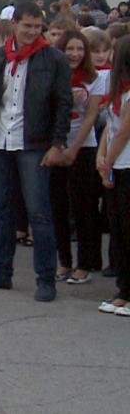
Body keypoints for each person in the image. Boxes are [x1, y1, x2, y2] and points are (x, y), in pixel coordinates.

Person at [0, 2, 72, 303]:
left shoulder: (53, 59)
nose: (32, 31)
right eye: (26, 25)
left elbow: (63, 104)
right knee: (3, 210)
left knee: (39, 213)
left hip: (34, 144)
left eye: (37, 27)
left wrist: (57, 143)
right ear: (14, 24)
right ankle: (2, 272)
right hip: (0, 141)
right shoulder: (0, 56)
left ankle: (45, 279)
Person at [49, 29, 105, 285]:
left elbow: (92, 116)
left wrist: (73, 149)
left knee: (84, 207)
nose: (74, 54)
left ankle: (86, 262)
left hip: (84, 147)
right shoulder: (53, 75)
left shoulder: (95, 79)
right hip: (55, 147)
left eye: (80, 49)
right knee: (57, 207)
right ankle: (64, 261)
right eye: (70, 49)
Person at [96, 36, 130, 316]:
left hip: (126, 163)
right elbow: (110, 126)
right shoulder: (117, 90)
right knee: (117, 228)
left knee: (128, 230)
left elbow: (125, 130)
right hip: (116, 163)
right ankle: (123, 289)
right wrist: (102, 156)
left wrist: (107, 160)